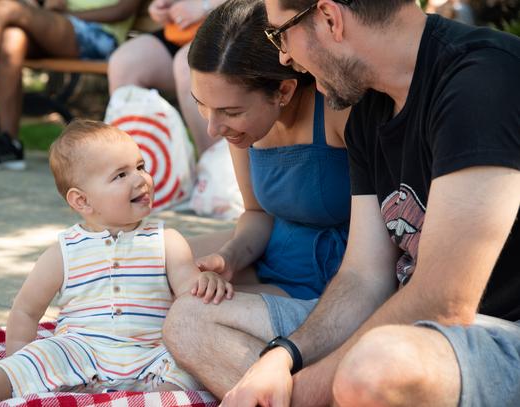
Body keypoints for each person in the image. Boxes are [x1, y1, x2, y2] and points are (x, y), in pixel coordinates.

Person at [217, 0, 520, 406]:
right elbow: (364, 276)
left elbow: (444, 300)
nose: (284, 56)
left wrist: (304, 390)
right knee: (190, 322)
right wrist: (284, 355)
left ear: (329, 18)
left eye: (280, 33)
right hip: (417, 333)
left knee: (372, 369)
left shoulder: (481, 81)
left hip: (498, 334)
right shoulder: (370, 107)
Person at [0, 119, 234, 407]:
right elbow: (27, 310)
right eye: (121, 175)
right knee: (20, 365)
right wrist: (21, 361)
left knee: (190, 370)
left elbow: (188, 291)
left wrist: (204, 282)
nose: (140, 179)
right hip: (79, 350)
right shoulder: (63, 251)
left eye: (140, 167)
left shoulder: (166, 241)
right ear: (82, 201)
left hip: (151, 352)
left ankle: (155, 398)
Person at [161, 0, 351, 396]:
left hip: (334, 288)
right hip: (276, 264)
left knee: (187, 320)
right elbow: (255, 212)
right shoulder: (244, 127)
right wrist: (230, 257)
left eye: (229, 111)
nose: (213, 128)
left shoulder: (335, 111)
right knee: (153, 273)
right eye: (203, 106)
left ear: (283, 90)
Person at [0, 0, 141, 171]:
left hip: (100, 37)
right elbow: (51, 7)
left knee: (3, 8)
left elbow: (123, 10)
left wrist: (68, 15)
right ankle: (9, 143)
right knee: (12, 39)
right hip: (64, 29)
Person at [107, 0, 225, 155]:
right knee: (124, 64)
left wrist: (205, 5)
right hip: (182, 33)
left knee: (189, 63)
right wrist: (162, 8)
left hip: (232, 26)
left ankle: (214, 171)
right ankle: (134, 165)